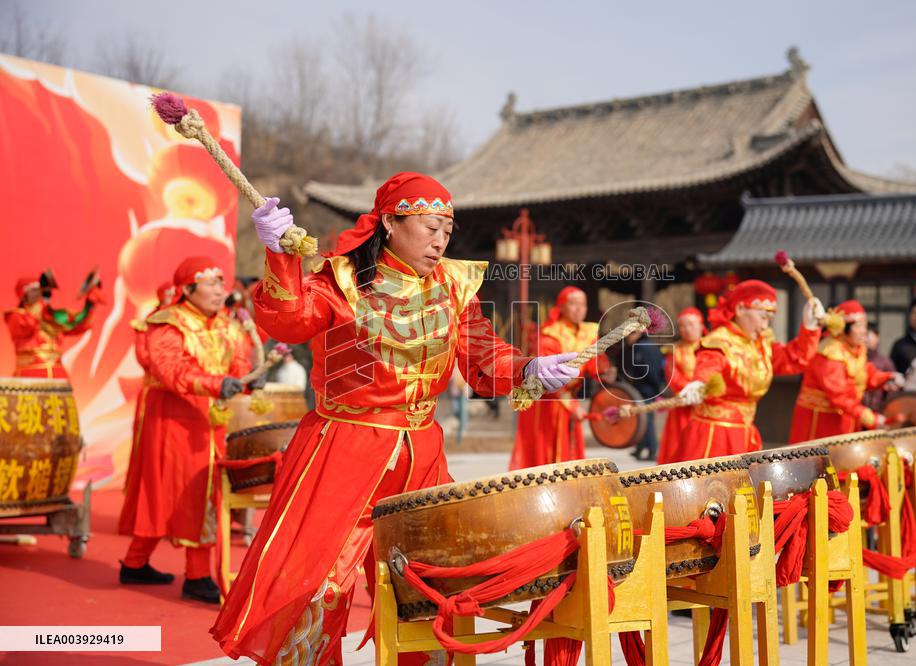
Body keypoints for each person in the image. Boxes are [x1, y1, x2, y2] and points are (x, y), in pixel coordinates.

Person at [211, 172, 583, 665]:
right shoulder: (342, 280)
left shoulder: (453, 285)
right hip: (344, 448)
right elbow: (288, 321)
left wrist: (526, 367)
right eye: (430, 228)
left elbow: (481, 355)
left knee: (426, 580)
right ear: (389, 222)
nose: (440, 241)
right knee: (320, 581)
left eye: (446, 231)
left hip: (421, 453)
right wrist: (280, 256)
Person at [118, 258, 255, 604]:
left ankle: (135, 563)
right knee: (187, 489)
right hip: (175, 418)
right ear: (188, 290)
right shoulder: (168, 324)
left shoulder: (226, 324)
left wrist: (248, 379)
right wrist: (217, 384)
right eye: (210, 284)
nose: (219, 290)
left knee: (198, 487)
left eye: (221, 282)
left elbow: (238, 363)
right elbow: (170, 370)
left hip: (210, 418)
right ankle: (196, 575)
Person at [674, 280, 823, 459]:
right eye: (763, 317)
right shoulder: (720, 342)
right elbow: (710, 364)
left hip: (745, 433)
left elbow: (792, 359)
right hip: (714, 435)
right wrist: (700, 383)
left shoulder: (759, 345)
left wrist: (809, 328)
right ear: (740, 309)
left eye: (769, 320)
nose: (765, 326)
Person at [509, 286, 612, 469]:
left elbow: (595, 364)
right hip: (547, 403)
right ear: (562, 307)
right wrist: (572, 406)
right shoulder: (549, 336)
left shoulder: (588, 333)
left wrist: (606, 375)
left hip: (569, 400)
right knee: (546, 455)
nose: (579, 309)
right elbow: (546, 378)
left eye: (583, 304)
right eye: (573, 304)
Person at [788, 300, 901, 442]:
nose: (864, 331)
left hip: (844, 415)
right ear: (843, 328)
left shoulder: (854, 348)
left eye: (864, 326)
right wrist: (870, 418)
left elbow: (864, 373)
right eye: (858, 326)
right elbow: (839, 396)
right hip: (821, 420)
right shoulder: (830, 354)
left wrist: (886, 378)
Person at [4, 272, 102, 378]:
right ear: (24, 295)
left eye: (40, 290)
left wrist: (90, 305)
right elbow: (28, 326)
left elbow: (78, 325)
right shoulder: (16, 316)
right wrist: (39, 307)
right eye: (34, 290)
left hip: (56, 374)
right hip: (29, 375)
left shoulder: (51, 316)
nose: (39, 294)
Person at [658, 307, 705, 464]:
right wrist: (691, 391)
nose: (687, 329)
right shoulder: (675, 351)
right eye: (682, 326)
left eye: (691, 324)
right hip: (683, 406)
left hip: (707, 406)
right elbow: (673, 377)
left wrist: (705, 391)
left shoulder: (712, 348)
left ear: (701, 325)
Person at [618, 328, 665, 461]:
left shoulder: (641, 347)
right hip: (647, 388)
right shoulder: (650, 345)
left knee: (646, 420)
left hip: (646, 389)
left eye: (629, 335)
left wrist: (656, 388)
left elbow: (649, 371)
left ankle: (652, 450)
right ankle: (641, 447)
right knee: (642, 419)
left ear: (638, 333)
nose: (627, 339)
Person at [863, 322, 895, 413]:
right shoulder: (854, 359)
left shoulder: (885, 362)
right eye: (862, 335)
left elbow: (891, 390)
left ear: (877, 337)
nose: (864, 338)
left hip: (878, 410)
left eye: (867, 334)